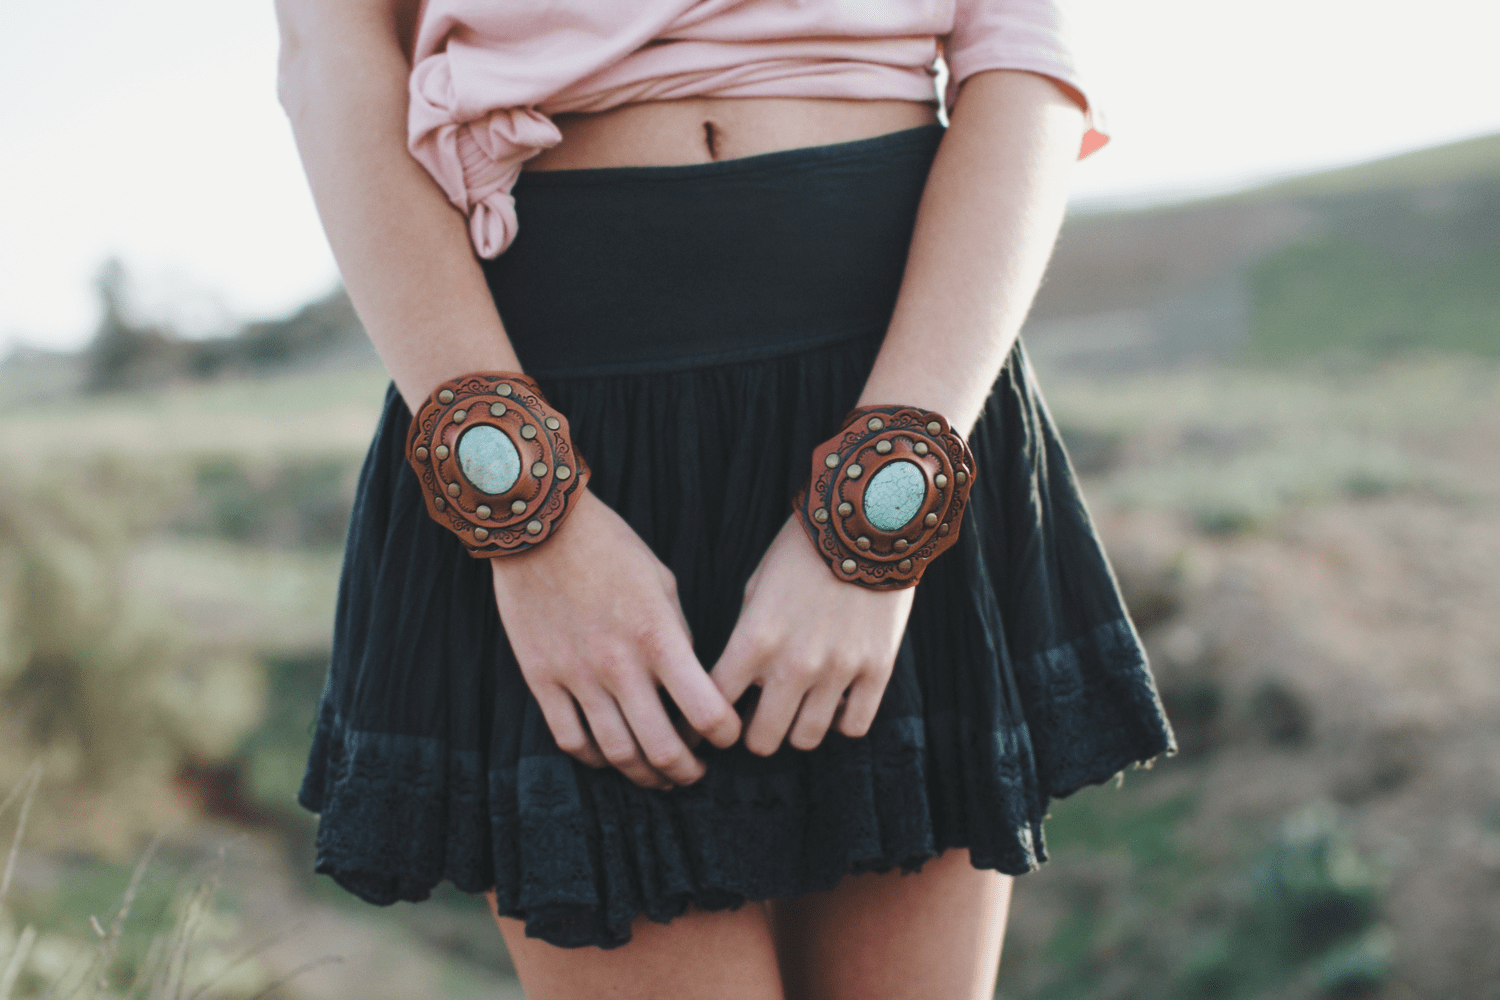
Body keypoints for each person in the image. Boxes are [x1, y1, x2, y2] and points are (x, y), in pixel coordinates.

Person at [276, 1, 1174, 997]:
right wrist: (535, 523)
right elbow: (333, 55)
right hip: (554, 419)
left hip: (902, 377)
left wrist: (879, 508)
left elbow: (1023, 58)